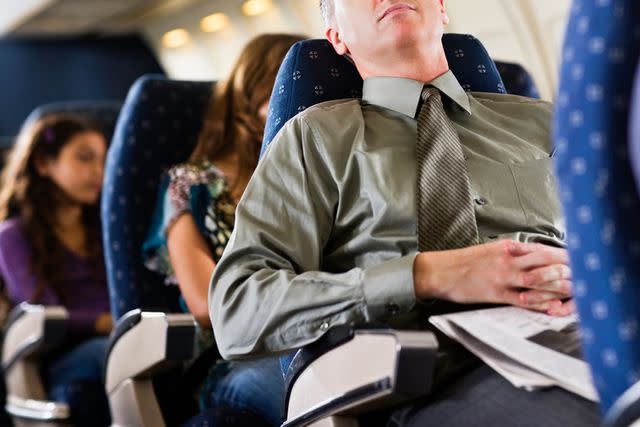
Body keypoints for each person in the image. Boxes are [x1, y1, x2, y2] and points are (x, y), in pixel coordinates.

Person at [209, 1, 601, 426]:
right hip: (435, 373)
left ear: (441, 8)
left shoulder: (546, 123)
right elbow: (237, 307)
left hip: (585, 328)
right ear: (336, 36)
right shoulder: (313, 140)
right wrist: (426, 274)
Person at [143, 33, 306, 426]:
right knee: (316, 392)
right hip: (235, 355)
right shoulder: (189, 185)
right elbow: (206, 303)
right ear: (253, 99)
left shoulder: (310, 175)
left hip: (315, 336)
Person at [0, 113, 111, 426]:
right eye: (84, 158)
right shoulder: (13, 235)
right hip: (60, 355)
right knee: (114, 353)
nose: (98, 172)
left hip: (116, 335)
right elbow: (43, 313)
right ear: (44, 164)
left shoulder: (105, 230)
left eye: (103, 160)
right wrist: (104, 322)